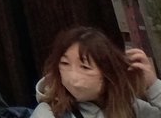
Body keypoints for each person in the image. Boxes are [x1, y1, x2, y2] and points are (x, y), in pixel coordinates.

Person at [31, 27, 161, 118]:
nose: (73, 77)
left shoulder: (130, 107)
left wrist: (153, 85)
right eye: (65, 64)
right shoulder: (49, 113)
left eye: (85, 67)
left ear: (107, 73)